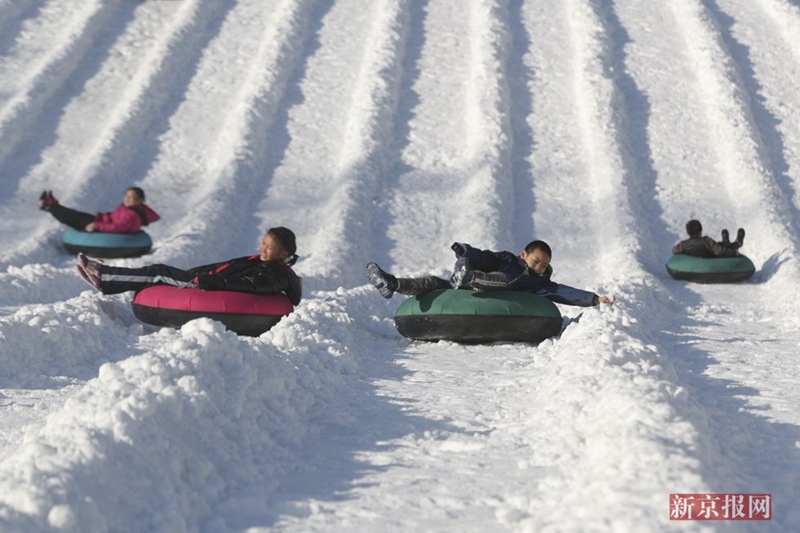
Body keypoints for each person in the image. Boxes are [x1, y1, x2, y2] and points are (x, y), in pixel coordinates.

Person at [75, 227, 302, 305]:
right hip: (206, 280)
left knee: (158, 273)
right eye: (263, 243)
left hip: (208, 287)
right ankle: (104, 278)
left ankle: (104, 276)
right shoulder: (263, 263)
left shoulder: (276, 274)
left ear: (284, 253)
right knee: (158, 271)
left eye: (269, 247)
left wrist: (205, 280)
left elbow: (249, 286)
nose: (262, 249)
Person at [366, 240, 613, 307]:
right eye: (536, 261)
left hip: (498, 292)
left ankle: (469, 277)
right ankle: (392, 284)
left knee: (503, 281)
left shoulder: (539, 284)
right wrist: (465, 251)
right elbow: (486, 258)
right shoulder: (507, 258)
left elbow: (564, 293)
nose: (538, 267)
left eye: (543, 264)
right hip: (463, 289)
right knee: (433, 282)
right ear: (523, 254)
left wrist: (592, 298)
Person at [39, 187, 160, 233]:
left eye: (131, 198)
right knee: (74, 214)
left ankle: (49, 206)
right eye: (126, 196)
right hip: (100, 220)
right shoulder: (130, 209)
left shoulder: (132, 215)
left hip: (100, 226)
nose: (127, 199)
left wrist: (96, 225)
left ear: (139, 201)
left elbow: (116, 227)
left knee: (69, 217)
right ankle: (53, 204)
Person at [671, 220, 744, 258]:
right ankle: (737, 243)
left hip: (696, 261)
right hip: (711, 260)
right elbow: (720, 251)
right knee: (722, 246)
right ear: (700, 231)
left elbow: (674, 250)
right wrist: (734, 253)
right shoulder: (706, 241)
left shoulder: (683, 244)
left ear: (687, 232)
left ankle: (726, 241)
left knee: (720, 244)